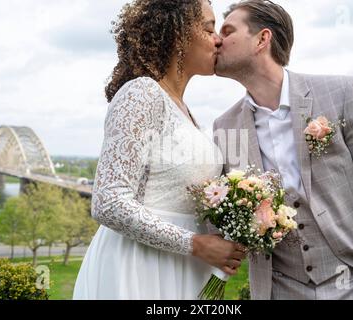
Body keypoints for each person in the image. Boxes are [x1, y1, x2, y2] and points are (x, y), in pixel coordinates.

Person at [213, 0, 353, 300]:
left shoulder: (344, 93)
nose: (217, 40)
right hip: (280, 290)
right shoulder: (224, 127)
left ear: (262, 39)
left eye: (228, 31)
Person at [73, 0, 246, 300]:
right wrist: (196, 244)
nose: (218, 39)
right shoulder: (141, 93)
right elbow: (108, 201)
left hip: (183, 269)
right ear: (179, 35)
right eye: (208, 29)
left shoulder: (184, 111)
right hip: (140, 268)